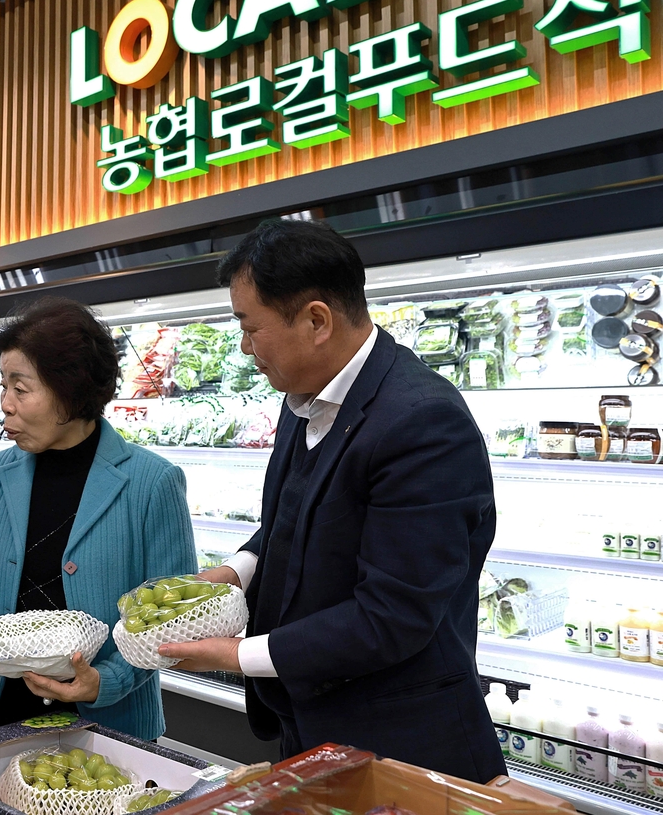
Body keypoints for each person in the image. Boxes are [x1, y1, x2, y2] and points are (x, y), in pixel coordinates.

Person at [158, 220, 505, 783]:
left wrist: (235, 655)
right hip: (309, 719)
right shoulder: (305, 397)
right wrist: (234, 571)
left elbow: (392, 616)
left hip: (397, 741)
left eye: (250, 327)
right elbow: (293, 518)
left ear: (317, 320)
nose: (246, 349)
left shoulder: (422, 422)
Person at [0, 296, 198, 739]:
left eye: (21, 388)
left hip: (110, 720)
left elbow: (171, 621)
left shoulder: (152, 482)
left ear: (71, 390)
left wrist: (106, 680)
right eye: (3, 386)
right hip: (5, 706)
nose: (5, 404)